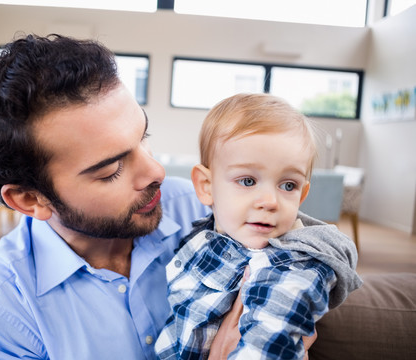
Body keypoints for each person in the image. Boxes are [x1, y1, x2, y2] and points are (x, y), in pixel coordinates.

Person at [0, 34, 328, 359]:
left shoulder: (206, 207)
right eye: (110, 170)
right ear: (30, 200)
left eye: (143, 138)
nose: (156, 172)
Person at [155, 94, 362, 360]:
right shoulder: (200, 240)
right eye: (248, 181)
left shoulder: (294, 267)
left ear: (302, 195)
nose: (270, 202)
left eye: (288, 185)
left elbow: (268, 344)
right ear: (207, 187)